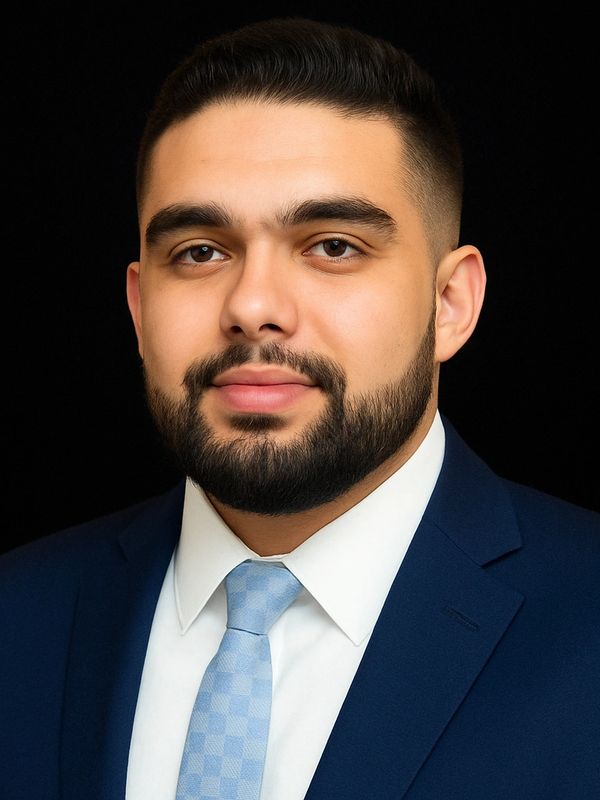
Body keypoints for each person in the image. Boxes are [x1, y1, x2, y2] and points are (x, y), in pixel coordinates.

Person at [1, 16, 598, 800]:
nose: (253, 306)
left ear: (450, 303)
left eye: (333, 246)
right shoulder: (17, 615)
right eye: (200, 252)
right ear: (140, 310)